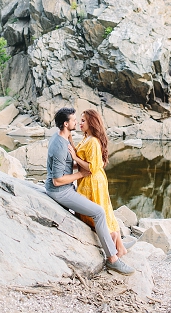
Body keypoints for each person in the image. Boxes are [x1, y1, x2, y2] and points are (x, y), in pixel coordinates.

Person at [44, 106, 134, 275]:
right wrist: (80, 174)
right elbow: (56, 181)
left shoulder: (61, 136)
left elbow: (74, 146)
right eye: (74, 120)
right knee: (99, 212)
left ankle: (115, 242)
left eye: (80, 120)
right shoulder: (60, 146)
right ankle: (112, 259)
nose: (77, 122)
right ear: (65, 124)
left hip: (67, 187)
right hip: (60, 191)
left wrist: (71, 141)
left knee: (102, 211)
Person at [67, 109, 127, 257]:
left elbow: (92, 167)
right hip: (87, 180)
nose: (80, 123)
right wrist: (70, 141)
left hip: (94, 182)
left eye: (83, 121)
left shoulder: (93, 141)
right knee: (100, 212)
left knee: (100, 213)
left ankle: (116, 247)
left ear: (91, 122)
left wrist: (74, 156)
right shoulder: (86, 138)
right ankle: (120, 246)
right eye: (80, 120)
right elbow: (81, 158)